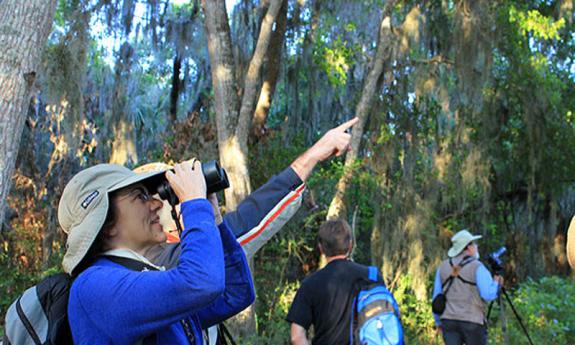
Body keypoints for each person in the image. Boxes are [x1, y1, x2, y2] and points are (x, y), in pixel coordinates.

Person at [58, 159, 254, 344]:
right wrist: (193, 204)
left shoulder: (142, 276)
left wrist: (213, 217)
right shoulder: (94, 286)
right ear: (107, 224)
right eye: (141, 196)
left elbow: (235, 292)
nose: (158, 203)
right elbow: (203, 282)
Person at [286, 219, 386, 345]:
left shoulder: (310, 284)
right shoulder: (372, 276)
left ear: (321, 248)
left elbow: (296, 336)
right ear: (350, 245)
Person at [432, 229, 504, 345]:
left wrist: (438, 322)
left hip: (449, 321)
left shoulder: (443, 267)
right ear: (468, 248)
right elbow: (488, 295)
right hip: (472, 321)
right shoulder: (477, 267)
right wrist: (496, 281)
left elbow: (436, 297)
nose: (476, 246)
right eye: (474, 244)